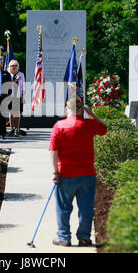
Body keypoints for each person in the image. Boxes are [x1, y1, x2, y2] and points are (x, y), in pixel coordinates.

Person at [48, 96, 107, 247]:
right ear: (82, 109)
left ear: (66, 109)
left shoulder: (59, 126)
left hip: (65, 174)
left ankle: (64, 237)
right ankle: (84, 237)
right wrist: (92, 113)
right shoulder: (88, 124)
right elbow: (104, 129)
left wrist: (55, 172)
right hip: (87, 173)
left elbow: (53, 151)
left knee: (63, 208)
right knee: (86, 208)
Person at [7, 60, 25, 137]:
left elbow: (23, 86)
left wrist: (22, 96)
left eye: (15, 65)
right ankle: (12, 129)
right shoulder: (7, 74)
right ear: (9, 67)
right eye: (12, 65)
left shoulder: (21, 74)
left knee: (17, 113)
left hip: (18, 96)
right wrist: (15, 80)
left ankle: (17, 129)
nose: (14, 67)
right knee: (11, 113)